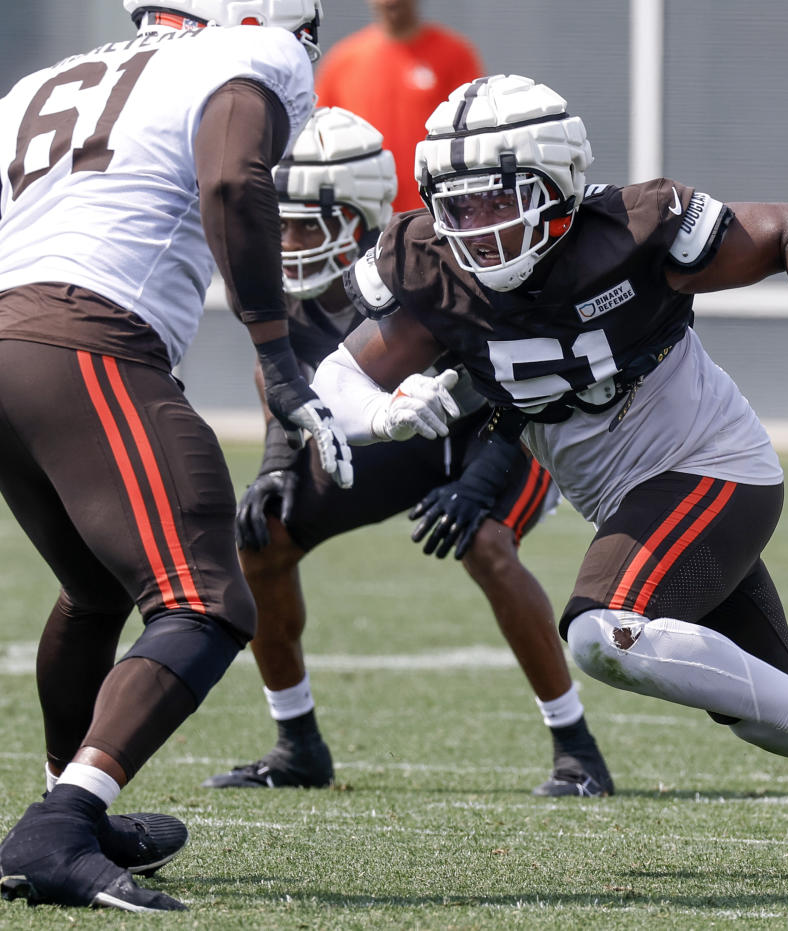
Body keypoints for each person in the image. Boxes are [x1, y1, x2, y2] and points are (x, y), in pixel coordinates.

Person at [312, 74, 788, 872]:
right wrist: (378, 415)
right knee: (766, 708)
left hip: (711, 470)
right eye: (458, 204)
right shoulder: (431, 270)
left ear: (556, 186)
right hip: (638, 503)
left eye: (495, 200)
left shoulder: (633, 229)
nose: (474, 227)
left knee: (599, 631)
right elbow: (336, 379)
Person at [0, 0, 352, 913]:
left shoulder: (45, 80)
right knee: (204, 596)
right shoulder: (253, 49)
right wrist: (275, 352)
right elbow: (234, 182)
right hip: (89, 337)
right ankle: (59, 826)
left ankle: (66, 801)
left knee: (94, 588)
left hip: (11, 338)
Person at [202, 105, 613, 797]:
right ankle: (298, 743)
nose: (288, 240)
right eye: (281, 223)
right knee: (262, 540)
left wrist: (480, 481)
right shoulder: (290, 300)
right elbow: (283, 384)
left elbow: (512, 380)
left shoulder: (429, 262)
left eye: (307, 223)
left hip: (500, 432)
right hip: (400, 436)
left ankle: (578, 751)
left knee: (485, 542)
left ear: (358, 220)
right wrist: (276, 466)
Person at [315, 0, 482, 212]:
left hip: (434, 208)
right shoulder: (342, 62)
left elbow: (472, 130)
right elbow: (322, 139)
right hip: (364, 210)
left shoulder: (454, 54)